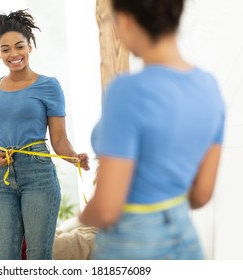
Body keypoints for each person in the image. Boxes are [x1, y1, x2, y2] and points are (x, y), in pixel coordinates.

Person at [79, 0, 225, 260]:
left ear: (125, 20)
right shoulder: (209, 86)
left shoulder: (126, 91)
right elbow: (202, 194)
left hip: (133, 244)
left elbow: (107, 209)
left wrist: (82, 216)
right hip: (186, 240)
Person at [0, 9, 89, 260]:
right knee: (5, 258)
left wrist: (73, 157)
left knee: (38, 258)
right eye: (5, 49)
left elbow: (59, 139)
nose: (13, 54)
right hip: (2, 178)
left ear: (30, 46)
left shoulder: (48, 85)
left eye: (19, 46)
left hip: (38, 174)